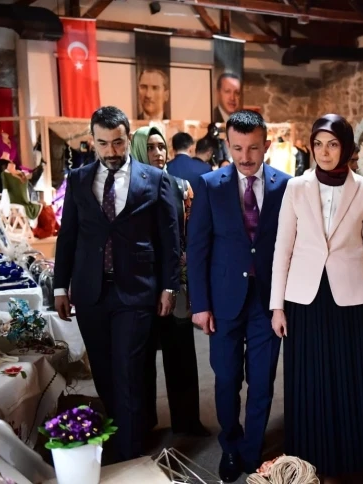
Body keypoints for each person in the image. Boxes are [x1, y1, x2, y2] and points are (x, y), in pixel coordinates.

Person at [53, 106, 180, 462]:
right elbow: (68, 236)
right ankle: (120, 434)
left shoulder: (154, 179)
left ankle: (129, 452)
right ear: (92, 141)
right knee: (104, 372)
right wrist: (60, 286)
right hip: (90, 293)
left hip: (136, 291)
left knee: (129, 370)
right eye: (103, 143)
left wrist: (169, 286)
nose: (111, 151)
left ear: (128, 138)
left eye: (118, 142)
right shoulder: (78, 179)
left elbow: (169, 237)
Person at [270, 114, 363, 483]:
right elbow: (282, 248)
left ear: (346, 147)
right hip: (304, 300)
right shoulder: (295, 187)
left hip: (351, 300)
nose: (324, 152)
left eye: (333, 144)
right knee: (309, 381)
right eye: (318, 144)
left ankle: (355, 459)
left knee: (352, 380)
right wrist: (277, 306)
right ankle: (310, 460)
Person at [188, 110, 291, 482]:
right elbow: (197, 248)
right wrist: (200, 305)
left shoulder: (286, 186)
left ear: (267, 144)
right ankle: (230, 445)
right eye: (237, 148)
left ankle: (251, 451)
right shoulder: (209, 185)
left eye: (253, 148)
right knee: (227, 379)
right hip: (223, 302)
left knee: (262, 382)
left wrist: (285, 301)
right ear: (227, 145)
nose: (245, 157)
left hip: (268, 303)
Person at [131, 126, 208, 437]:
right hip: (140, 284)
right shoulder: (128, 189)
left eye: (161, 146)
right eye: (150, 147)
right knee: (141, 359)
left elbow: (191, 237)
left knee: (181, 354)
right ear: (139, 149)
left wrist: (187, 282)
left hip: (175, 281)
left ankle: (187, 421)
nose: (158, 153)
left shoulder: (181, 187)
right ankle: (144, 424)